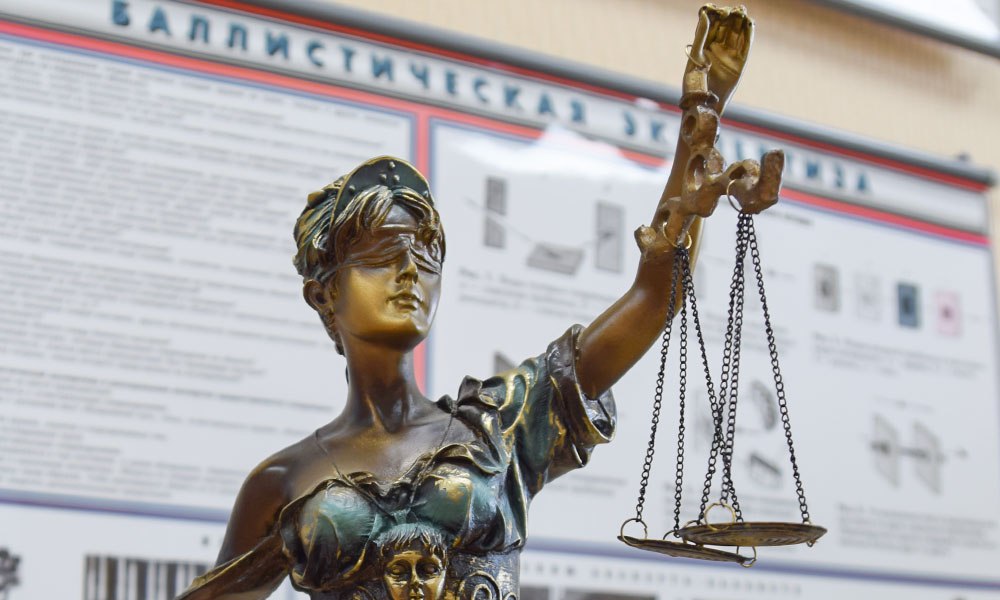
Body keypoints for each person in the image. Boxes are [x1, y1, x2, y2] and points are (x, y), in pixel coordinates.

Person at [177, 6, 759, 599]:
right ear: (323, 292)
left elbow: (655, 295)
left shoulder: (500, 426)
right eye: (382, 255)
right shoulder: (283, 480)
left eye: (426, 256)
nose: (410, 272)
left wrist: (700, 120)